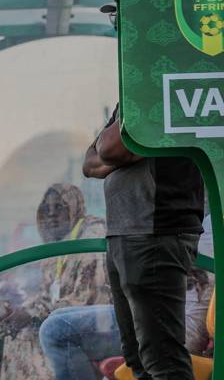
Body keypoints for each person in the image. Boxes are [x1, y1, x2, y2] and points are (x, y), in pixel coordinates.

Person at [83, 99, 204, 379]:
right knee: (138, 360)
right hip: (126, 233)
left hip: (154, 232)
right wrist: (120, 152)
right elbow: (90, 164)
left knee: (163, 361)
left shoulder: (158, 84)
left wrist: (113, 152)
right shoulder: (129, 94)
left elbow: (108, 149)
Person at [39, 213, 215, 379]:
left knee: (57, 330)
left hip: (168, 326)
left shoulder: (212, 228)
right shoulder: (206, 222)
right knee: (58, 319)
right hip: (154, 311)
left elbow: (196, 307)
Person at [0, 183, 110, 378]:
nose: (51, 214)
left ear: (75, 207)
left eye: (59, 207)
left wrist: (32, 315)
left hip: (98, 325)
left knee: (33, 337)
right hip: (64, 321)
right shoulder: (58, 247)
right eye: (46, 209)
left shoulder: (91, 236)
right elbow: (46, 295)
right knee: (16, 335)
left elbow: (88, 299)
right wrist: (18, 312)